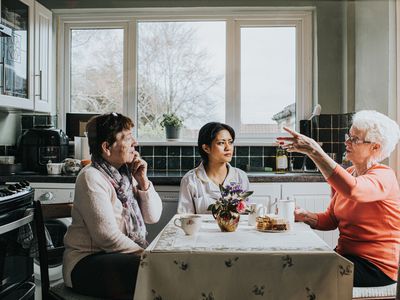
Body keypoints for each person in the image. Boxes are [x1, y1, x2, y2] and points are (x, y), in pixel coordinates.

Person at [277, 110, 400, 287]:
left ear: (375, 147)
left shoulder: (384, 176)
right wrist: (305, 215)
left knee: (299, 274)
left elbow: (353, 190)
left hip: (375, 267)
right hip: (346, 257)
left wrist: (314, 151)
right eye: (348, 136)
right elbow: (331, 219)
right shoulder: (349, 173)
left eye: (355, 139)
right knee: (291, 264)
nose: (347, 142)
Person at [63, 112, 162, 299]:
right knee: (153, 270)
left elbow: (153, 216)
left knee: (157, 271)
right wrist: (146, 254)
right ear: (107, 147)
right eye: (128, 139)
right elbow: (106, 237)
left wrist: (143, 181)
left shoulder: (125, 175)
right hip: (86, 263)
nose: (136, 144)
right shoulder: (91, 177)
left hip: (119, 257)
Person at [178, 122, 250, 214]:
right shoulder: (190, 180)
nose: (228, 147)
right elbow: (185, 219)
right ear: (206, 148)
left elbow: (245, 217)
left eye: (230, 142)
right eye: (221, 143)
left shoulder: (241, 176)